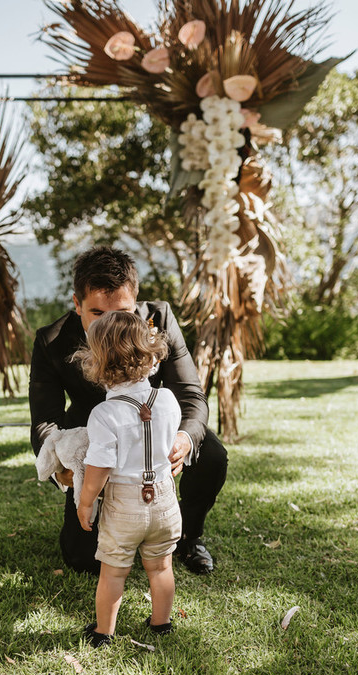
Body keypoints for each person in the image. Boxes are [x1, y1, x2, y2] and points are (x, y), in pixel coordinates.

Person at [29, 245, 227, 576]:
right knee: (81, 559)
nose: (112, 327)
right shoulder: (51, 341)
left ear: (134, 303)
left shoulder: (159, 318)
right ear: (77, 304)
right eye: (97, 314)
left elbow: (191, 394)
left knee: (212, 455)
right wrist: (62, 469)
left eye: (121, 313)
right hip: (92, 443)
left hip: (155, 429)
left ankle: (189, 536)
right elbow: (45, 421)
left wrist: (185, 439)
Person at [75, 311, 182, 647]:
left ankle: (103, 632)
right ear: (151, 356)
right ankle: (161, 623)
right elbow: (168, 442)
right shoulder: (166, 399)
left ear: (98, 364)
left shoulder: (105, 413)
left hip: (124, 504)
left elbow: (100, 466)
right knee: (161, 567)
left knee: (114, 571)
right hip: (165, 499)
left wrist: (86, 500)